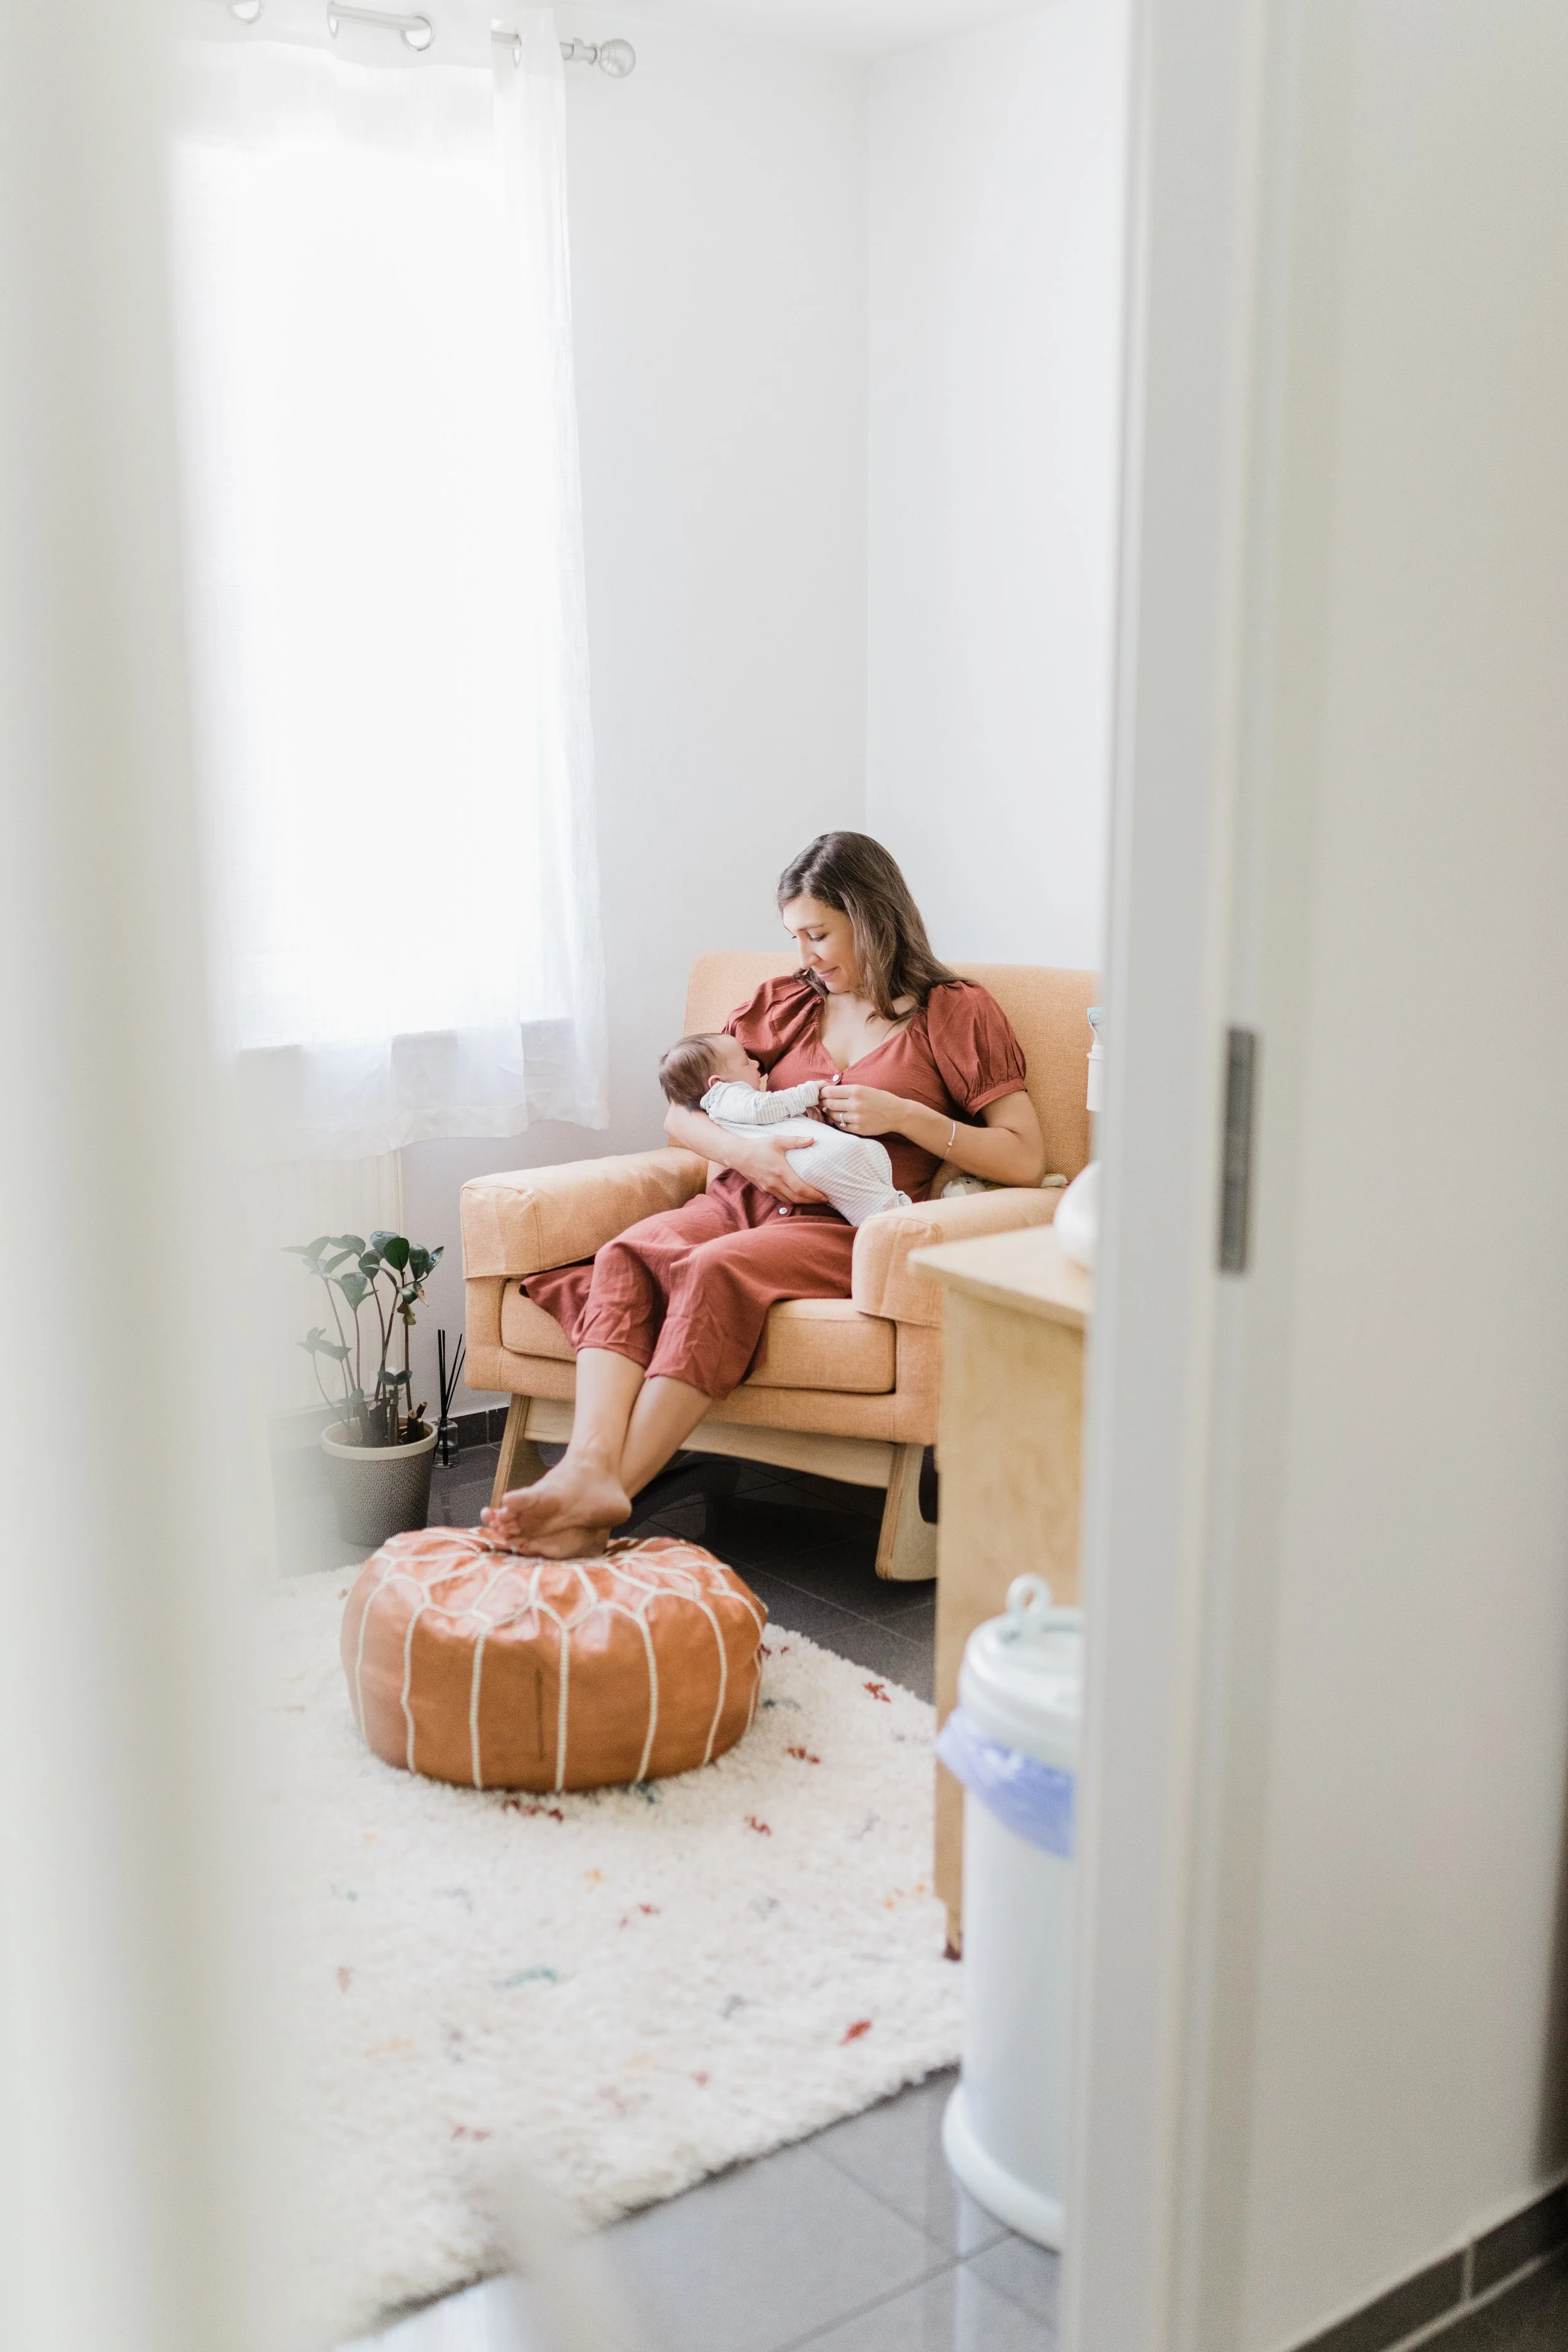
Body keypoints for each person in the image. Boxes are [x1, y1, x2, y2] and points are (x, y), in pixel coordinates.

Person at [480, 830, 1046, 1558]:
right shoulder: (784, 1002)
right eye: (795, 937)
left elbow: (1025, 1157)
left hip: (844, 1224)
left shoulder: (954, 1012)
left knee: (717, 1271)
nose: (805, 956)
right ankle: (587, 1468)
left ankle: (599, 1500)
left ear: (872, 916)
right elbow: (680, 1110)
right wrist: (749, 1153)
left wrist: (910, 1117)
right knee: (627, 1252)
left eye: (818, 934)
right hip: (739, 1198)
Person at [656, 1028, 911, 1227]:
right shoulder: (723, 1097)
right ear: (717, 1083)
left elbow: (772, 1117)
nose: (757, 1066)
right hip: (816, 1162)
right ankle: (893, 1220)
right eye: (746, 1063)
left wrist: (808, 1115)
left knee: (872, 1180)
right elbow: (762, 1108)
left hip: (836, 1153)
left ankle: (895, 1210)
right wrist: (808, 1092)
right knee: (869, 1204)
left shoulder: (734, 1104)